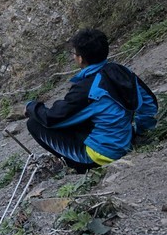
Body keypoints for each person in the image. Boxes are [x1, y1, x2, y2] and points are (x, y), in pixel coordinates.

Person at [25, 28, 158, 173]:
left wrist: (30, 107)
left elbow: (51, 118)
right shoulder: (122, 70)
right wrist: (142, 132)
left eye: (74, 53)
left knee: (34, 123)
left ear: (80, 58)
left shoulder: (86, 88)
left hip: (100, 156)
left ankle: (77, 166)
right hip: (126, 140)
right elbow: (148, 104)